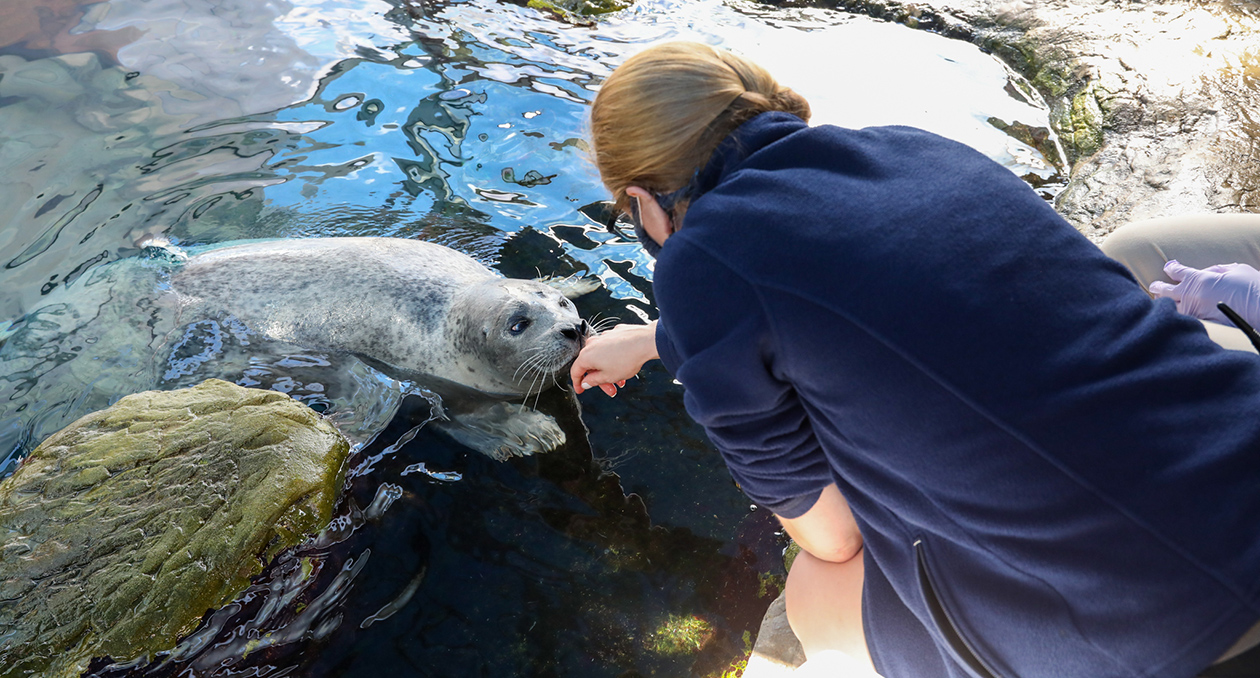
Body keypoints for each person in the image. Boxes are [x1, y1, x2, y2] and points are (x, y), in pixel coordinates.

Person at [569, 41, 1260, 678]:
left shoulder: (695, 264)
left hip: (1168, 630)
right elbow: (885, 295)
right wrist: (663, 338)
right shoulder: (915, 147)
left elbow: (835, 537)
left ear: (642, 203)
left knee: (813, 589)